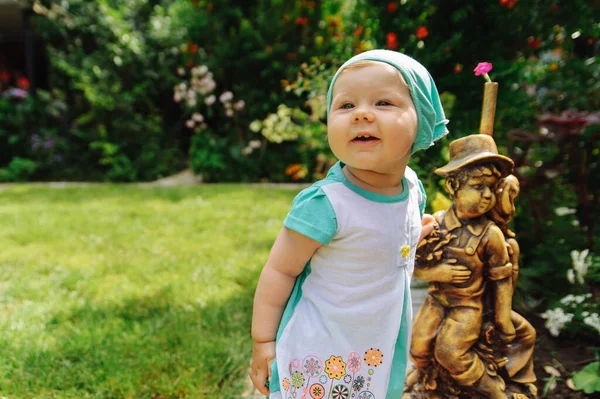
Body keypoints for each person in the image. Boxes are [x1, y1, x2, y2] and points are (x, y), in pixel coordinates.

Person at [249, 49, 449, 399]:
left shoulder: (412, 189)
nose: (361, 114)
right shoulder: (327, 204)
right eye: (345, 106)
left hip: (371, 344)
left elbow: (388, 234)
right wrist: (263, 340)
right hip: (319, 348)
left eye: (383, 102)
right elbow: (280, 270)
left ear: (422, 119)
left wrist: (416, 232)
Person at [408, 134, 517, 399]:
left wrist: (503, 321)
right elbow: (408, 264)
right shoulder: (435, 223)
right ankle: (429, 380)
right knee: (418, 346)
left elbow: (502, 280)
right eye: (479, 186)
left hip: (468, 307)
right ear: (453, 186)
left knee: (450, 352)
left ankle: (493, 392)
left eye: (492, 187)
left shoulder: (491, 235)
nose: (487, 195)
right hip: (436, 300)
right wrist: (434, 273)